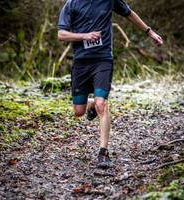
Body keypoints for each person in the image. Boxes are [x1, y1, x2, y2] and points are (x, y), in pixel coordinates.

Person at [57, 0, 163, 169]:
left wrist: (149, 32)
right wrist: (84, 36)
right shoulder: (71, 4)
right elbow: (61, 35)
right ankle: (90, 105)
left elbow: (129, 13)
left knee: (102, 103)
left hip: (103, 59)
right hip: (81, 63)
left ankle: (103, 152)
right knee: (78, 112)